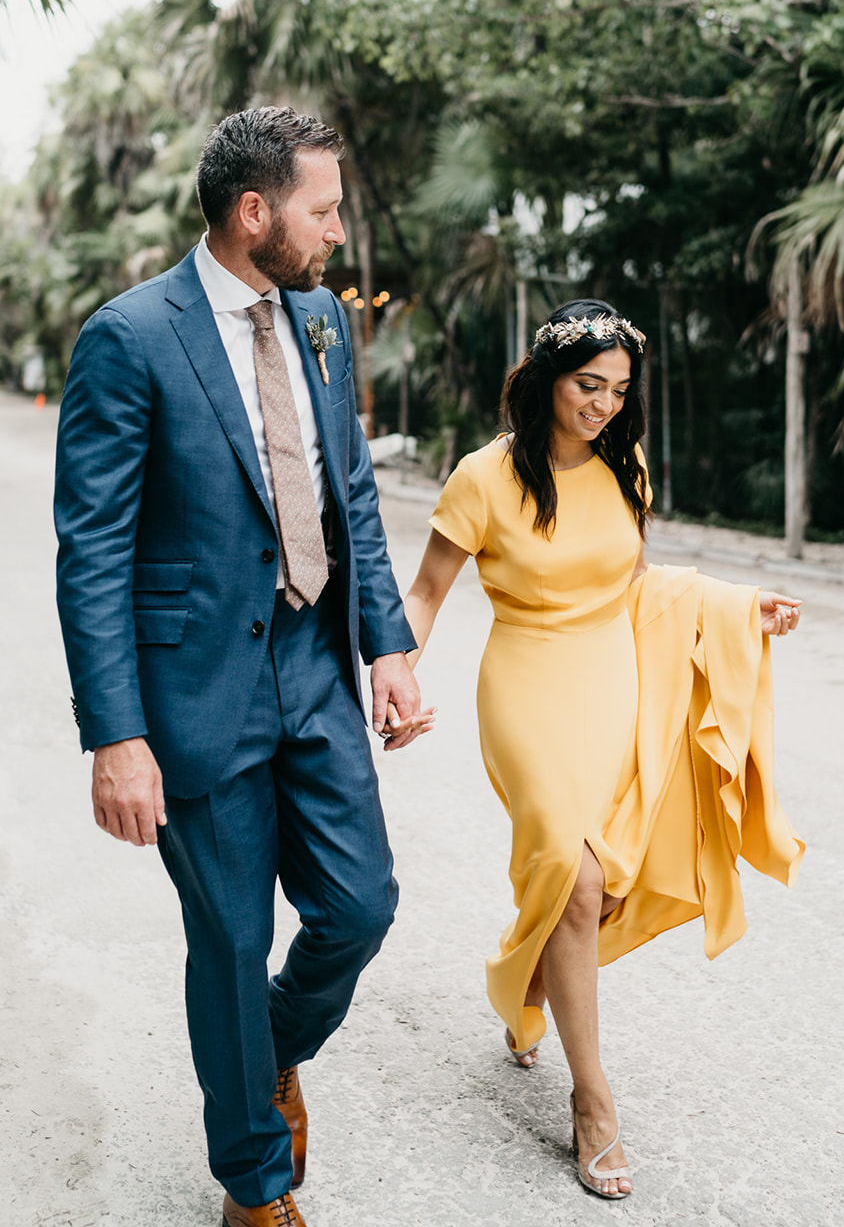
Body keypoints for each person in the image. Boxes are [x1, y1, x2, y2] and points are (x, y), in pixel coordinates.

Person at [54, 107, 433, 1227]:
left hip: (315, 669)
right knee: (227, 941)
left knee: (359, 906)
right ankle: (254, 1186)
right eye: (323, 211)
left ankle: (260, 1050)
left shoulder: (320, 320)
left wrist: (389, 643)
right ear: (253, 212)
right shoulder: (129, 335)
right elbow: (94, 551)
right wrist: (114, 734)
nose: (337, 234)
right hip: (193, 693)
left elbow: (348, 493)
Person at [403, 299, 804, 1200]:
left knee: (600, 880)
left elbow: (634, 587)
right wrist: (394, 671)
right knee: (576, 879)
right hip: (525, 684)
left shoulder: (628, 470)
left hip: (609, 677)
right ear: (547, 378)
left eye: (620, 390)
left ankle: (528, 984)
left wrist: (742, 607)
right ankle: (591, 1102)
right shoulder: (483, 477)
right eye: (589, 385)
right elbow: (426, 592)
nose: (604, 404)